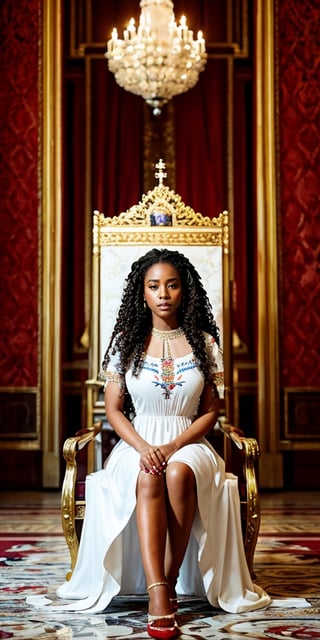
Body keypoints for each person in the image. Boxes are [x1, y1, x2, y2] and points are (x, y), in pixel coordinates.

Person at [56, 248, 271, 638]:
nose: (163, 293)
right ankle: (158, 592)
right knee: (148, 475)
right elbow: (115, 411)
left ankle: (169, 581)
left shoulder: (205, 344)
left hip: (190, 440)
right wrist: (142, 446)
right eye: (153, 286)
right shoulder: (126, 341)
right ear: (142, 293)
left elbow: (210, 414)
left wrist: (172, 446)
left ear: (184, 291)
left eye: (171, 285)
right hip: (137, 441)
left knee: (178, 470)